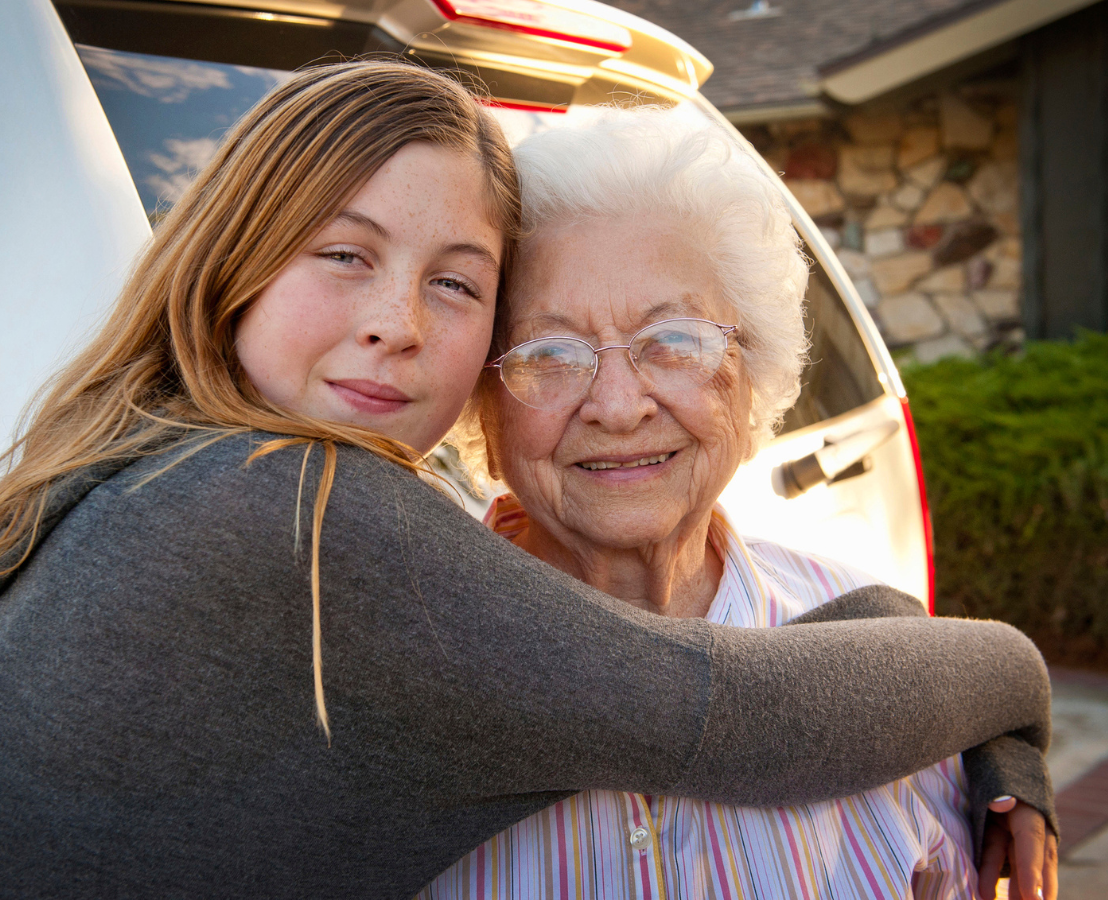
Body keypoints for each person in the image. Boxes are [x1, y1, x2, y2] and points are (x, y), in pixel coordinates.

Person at [0, 60, 1051, 899]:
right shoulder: (283, 511)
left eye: (455, 284)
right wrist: (1013, 679)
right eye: (343, 253)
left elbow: (725, 674)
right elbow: (733, 711)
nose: (397, 324)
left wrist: (962, 710)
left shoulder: (145, 476)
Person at [424, 107, 1056, 900]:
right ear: (484, 401)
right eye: (550, 354)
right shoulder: (401, 672)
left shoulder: (893, 664)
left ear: (751, 366)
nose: (618, 408)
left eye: (676, 341)